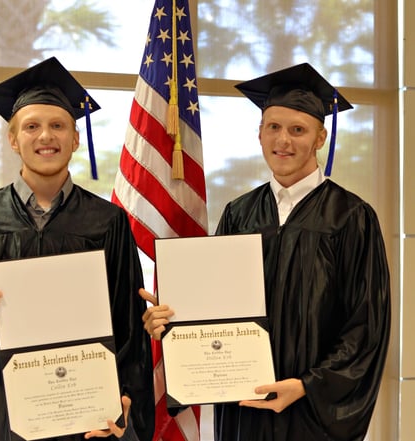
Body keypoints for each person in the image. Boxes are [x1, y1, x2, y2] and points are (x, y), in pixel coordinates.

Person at [140, 63, 391, 441]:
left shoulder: (351, 217)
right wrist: (172, 320)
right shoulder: (239, 213)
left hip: (310, 413)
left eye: (298, 130)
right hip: (244, 408)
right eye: (273, 127)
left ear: (320, 137)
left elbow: (366, 327)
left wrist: (307, 385)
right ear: (259, 133)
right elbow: (216, 308)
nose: (283, 141)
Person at [0, 57, 154, 441]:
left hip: (87, 412)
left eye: (58, 125)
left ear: (75, 138)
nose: (45, 136)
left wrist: (126, 394)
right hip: (6, 411)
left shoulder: (107, 221)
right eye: (31, 126)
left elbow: (128, 321)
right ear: (13, 139)